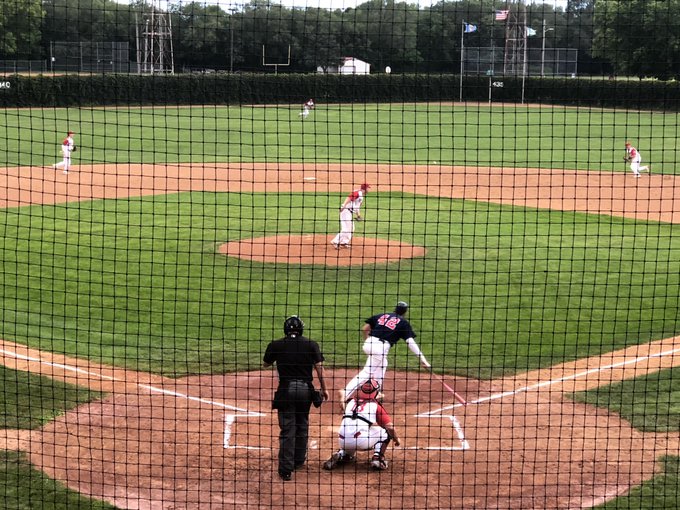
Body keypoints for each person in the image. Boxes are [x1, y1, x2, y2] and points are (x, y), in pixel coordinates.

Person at [263, 315, 330, 481]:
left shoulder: (276, 344)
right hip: (306, 390)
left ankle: (286, 470)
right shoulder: (311, 344)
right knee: (302, 424)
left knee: (288, 429)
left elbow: (266, 364)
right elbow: (320, 369)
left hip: (286, 391)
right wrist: (324, 389)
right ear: (301, 329)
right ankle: (298, 461)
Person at [340, 301, 431, 405]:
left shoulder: (382, 315)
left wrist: (368, 342)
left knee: (383, 363)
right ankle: (345, 392)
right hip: (380, 348)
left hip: (369, 343)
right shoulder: (403, 322)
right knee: (367, 372)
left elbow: (365, 329)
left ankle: (376, 393)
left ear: (395, 309)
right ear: (405, 312)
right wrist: (423, 359)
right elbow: (410, 342)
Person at [323, 378, 401, 471]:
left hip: (342, 441)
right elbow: (390, 427)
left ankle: (342, 454)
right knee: (385, 431)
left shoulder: (350, 402)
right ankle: (378, 459)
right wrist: (396, 439)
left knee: (354, 430)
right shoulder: (376, 406)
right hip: (361, 442)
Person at [330, 183, 370, 249]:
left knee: (352, 228)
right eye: (368, 188)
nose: (369, 190)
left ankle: (344, 242)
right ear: (365, 189)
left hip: (349, 212)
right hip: (346, 211)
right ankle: (335, 241)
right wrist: (343, 206)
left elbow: (357, 208)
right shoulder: (357, 193)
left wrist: (359, 215)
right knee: (346, 228)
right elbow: (349, 198)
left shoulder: (361, 196)